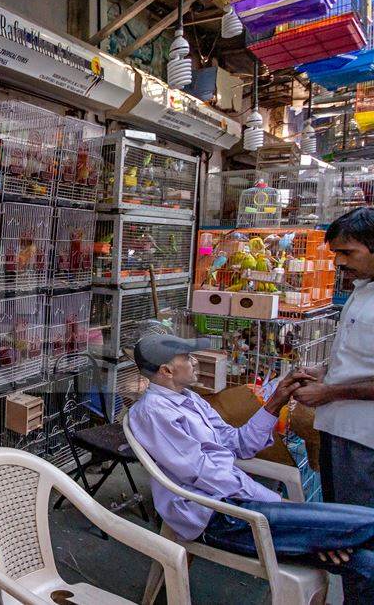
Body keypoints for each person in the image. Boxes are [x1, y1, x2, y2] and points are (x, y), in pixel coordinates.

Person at [127, 334, 374, 597]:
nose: (195, 361)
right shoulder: (155, 413)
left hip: (241, 505)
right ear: (166, 371)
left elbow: (238, 443)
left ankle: (328, 535)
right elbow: (205, 475)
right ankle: (327, 533)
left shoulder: (190, 399)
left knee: (363, 561)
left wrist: (277, 399)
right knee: (367, 525)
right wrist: (280, 505)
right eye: (187, 358)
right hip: (220, 516)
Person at [291, 207, 374, 602]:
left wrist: (329, 393)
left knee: (358, 536)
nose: (339, 262)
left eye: (348, 252)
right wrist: (325, 376)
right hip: (339, 430)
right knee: (341, 529)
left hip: (364, 440)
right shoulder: (363, 290)